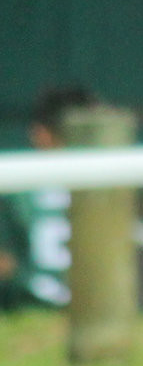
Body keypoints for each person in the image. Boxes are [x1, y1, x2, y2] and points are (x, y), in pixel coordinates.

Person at [0, 87, 93, 313]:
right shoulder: (102, 187)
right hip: (79, 311)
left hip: (27, 312)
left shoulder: (14, 186)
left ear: (40, 133)